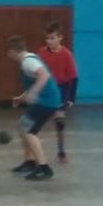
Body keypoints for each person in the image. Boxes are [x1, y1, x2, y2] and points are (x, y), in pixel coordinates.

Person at [6, 35, 62, 181]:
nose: (8, 55)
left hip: (47, 102)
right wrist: (21, 98)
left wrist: (34, 93)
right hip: (47, 100)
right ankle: (29, 162)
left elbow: (44, 75)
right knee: (22, 125)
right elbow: (35, 82)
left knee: (29, 130)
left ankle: (44, 168)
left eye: (8, 52)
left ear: (12, 52)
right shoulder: (30, 58)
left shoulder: (28, 62)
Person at [38, 22, 79, 163]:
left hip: (62, 89)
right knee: (36, 121)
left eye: (52, 38)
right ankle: (34, 151)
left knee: (59, 121)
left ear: (60, 37)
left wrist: (72, 98)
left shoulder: (67, 55)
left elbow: (74, 77)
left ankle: (61, 151)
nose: (49, 41)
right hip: (46, 89)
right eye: (47, 38)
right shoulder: (41, 53)